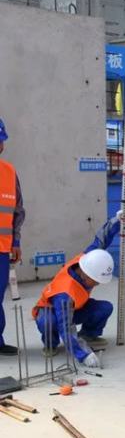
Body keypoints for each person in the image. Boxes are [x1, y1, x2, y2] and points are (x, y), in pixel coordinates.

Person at [31, 210, 125, 367]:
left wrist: (117, 221)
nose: (97, 284)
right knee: (48, 322)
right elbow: (67, 326)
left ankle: (88, 334)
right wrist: (83, 354)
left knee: (104, 308)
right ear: (85, 274)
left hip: (76, 307)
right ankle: (50, 343)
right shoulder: (65, 293)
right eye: (96, 280)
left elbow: (101, 240)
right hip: (50, 310)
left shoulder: (87, 260)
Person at [0, 118, 25, 356]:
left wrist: (16, 241)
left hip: (2, 249)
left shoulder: (8, 172)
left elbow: (17, 210)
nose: (1, 146)